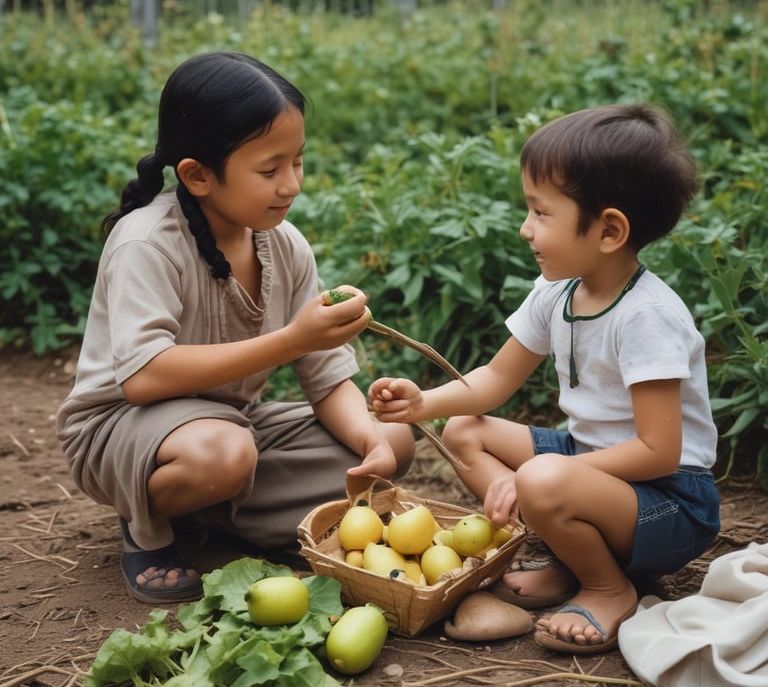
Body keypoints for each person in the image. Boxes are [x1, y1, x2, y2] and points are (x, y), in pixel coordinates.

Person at [56, 51, 414, 605]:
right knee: (221, 453)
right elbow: (144, 379)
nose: (291, 184)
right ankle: (148, 517)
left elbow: (324, 379)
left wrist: (368, 439)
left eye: (297, 162)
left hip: (232, 429)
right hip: (123, 432)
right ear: (197, 175)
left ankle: (209, 515)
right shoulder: (146, 243)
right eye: (269, 170)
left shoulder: (284, 243)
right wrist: (293, 338)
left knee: (393, 438)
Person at [369, 104, 720, 655]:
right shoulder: (557, 291)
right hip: (592, 468)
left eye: (541, 212)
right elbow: (493, 378)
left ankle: (608, 586)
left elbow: (659, 450)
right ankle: (570, 554)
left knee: (541, 479)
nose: (524, 228)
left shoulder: (647, 316)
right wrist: (422, 404)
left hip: (670, 503)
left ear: (608, 230)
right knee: (465, 431)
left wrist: (548, 473)